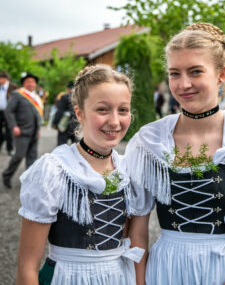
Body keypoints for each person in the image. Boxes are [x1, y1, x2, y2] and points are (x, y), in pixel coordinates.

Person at [125, 23, 225, 285]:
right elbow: (137, 233)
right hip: (168, 270)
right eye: (174, 73)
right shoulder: (149, 142)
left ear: (221, 74)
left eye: (195, 71)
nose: (184, 84)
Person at [16, 64, 144, 285]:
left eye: (123, 110)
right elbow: (27, 266)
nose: (114, 121)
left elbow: (129, 239)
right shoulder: (55, 170)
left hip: (118, 277)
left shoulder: (128, 169)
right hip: (67, 277)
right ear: (80, 113)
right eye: (103, 109)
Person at [2, 72, 43, 189]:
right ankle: (6, 175)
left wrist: (39, 129)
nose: (31, 84)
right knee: (19, 155)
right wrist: (14, 126)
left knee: (32, 158)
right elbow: (9, 111)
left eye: (33, 82)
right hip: (21, 131)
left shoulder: (36, 96)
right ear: (24, 83)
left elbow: (38, 115)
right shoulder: (17, 94)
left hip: (34, 132)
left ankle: (29, 180)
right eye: (28, 81)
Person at [53, 80, 77, 145]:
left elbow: (60, 111)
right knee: (76, 147)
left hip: (65, 125)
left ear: (68, 89)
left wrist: (55, 123)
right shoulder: (80, 98)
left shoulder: (65, 97)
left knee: (61, 146)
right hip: (77, 125)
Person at [0, 70, 16, 156]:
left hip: (9, 112)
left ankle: (10, 149)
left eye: (1, 79)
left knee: (9, 131)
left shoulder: (12, 87)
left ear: (6, 79)